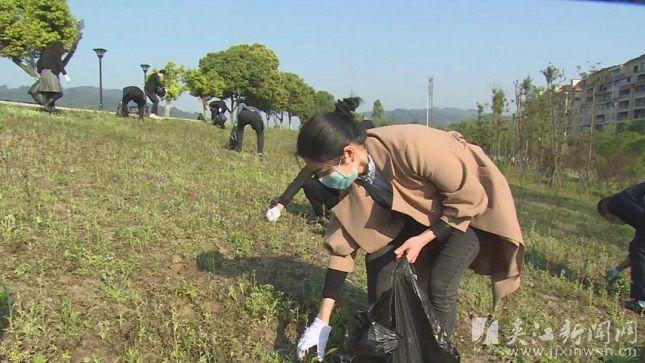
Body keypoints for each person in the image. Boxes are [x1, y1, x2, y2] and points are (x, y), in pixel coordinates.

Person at [295, 98, 524, 360]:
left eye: (323, 172)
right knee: (381, 270)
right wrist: (321, 321)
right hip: (424, 215)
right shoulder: (352, 179)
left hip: (471, 213)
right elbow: (342, 245)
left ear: (348, 153)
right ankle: (397, 349)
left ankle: (435, 354)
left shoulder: (412, 146)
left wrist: (423, 238)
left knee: (440, 283)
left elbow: (470, 199)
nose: (323, 180)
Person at [266, 119, 376, 224]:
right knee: (309, 183)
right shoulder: (332, 154)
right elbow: (301, 179)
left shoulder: (377, 163)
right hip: (335, 197)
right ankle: (322, 215)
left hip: (360, 205)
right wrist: (279, 207)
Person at [597, 182, 645, 313]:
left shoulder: (616, 204)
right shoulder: (632, 204)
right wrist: (617, 269)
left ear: (606, 212)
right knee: (639, 249)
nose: (612, 222)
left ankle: (641, 302)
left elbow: (639, 250)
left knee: (638, 248)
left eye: (608, 219)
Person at [30, 41, 77, 113]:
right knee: (58, 93)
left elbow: (39, 63)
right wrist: (65, 74)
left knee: (48, 93)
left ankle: (50, 109)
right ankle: (48, 102)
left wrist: (40, 72)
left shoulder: (45, 53)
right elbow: (59, 63)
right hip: (51, 74)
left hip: (43, 73)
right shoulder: (55, 53)